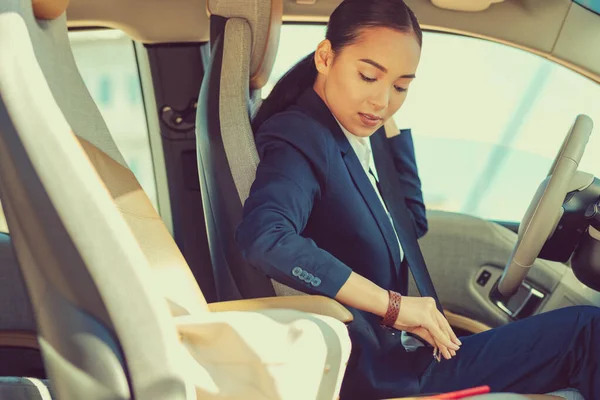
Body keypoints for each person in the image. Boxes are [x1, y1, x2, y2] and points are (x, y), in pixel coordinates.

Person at [235, 0, 600, 398]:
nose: (382, 100)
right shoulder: (300, 134)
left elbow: (410, 223)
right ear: (325, 57)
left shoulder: (346, 133)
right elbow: (265, 238)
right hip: (379, 373)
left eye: (401, 86)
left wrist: (384, 119)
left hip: (402, 355)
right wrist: (394, 306)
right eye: (368, 76)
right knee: (587, 333)